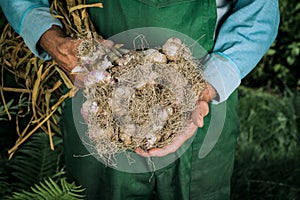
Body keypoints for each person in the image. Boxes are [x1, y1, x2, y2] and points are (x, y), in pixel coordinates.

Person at [0, 0, 280, 199]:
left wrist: (202, 88)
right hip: (96, 97)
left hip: (204, 94)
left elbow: (259, 12)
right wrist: (52, 40)